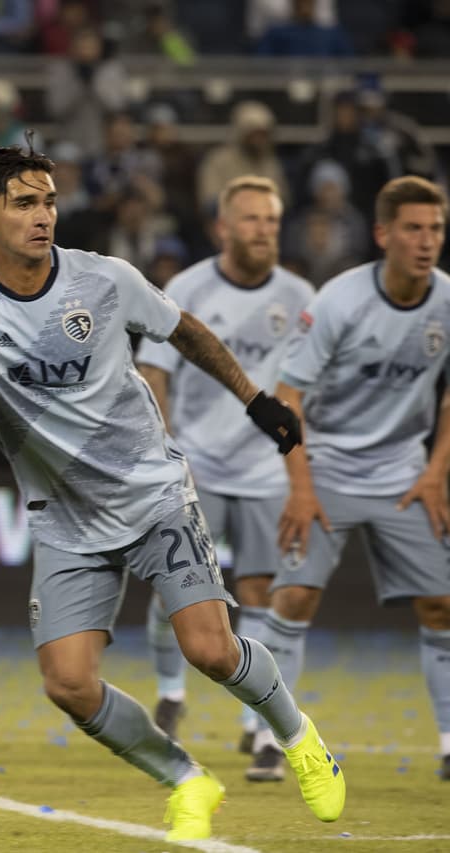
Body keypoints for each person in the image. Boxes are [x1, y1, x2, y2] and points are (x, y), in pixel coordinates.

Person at [0, 144, 344, 840]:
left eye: (49, 201)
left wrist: (254, 399)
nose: (43, 215)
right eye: (24, 203)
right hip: (65, 520)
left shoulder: (104, 279)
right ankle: (186, 777)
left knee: (210, 649)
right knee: (67, 683)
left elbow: (186, 332)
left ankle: (298, 736)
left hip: (153, 496)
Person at [269, 175, 450, 784]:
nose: (426, 241)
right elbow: (287, 396)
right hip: (327, 467)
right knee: (295, 597)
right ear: (382, 235)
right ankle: (271, 737)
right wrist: (301, 486)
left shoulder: (447, 301)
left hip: (403, 474)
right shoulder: (340, 301)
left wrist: (436, 473)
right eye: (413, 229)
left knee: (442, 605)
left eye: (435, 229)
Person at [135, 176, 315, 767]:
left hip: (266, 471)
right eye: (252, 219)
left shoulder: (299, 295)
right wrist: (164, 452)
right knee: (175, 592)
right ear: (222, 228)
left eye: (271, 220)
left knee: (261, 592)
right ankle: (171, 692)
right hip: (197, 468)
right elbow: (154, 372)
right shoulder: (187, 287)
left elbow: (306, 387)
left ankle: (258, 726)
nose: (264, 230)